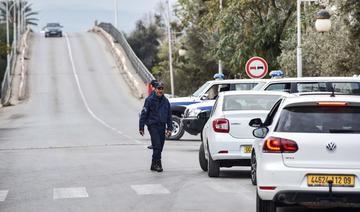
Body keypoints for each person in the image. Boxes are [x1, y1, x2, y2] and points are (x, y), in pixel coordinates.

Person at [139, 82, 173, 172]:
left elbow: (169, 116)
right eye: (158, 88)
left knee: (160, 146)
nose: (160, 90)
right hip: (152, 125)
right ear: (155, 89)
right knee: (157, 145)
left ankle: (153, 164)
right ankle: (158, 164)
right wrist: (141, 127)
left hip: (162, 126)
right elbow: (144, 113)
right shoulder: (149, 100)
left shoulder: (166, 101)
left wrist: (169, 128)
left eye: (162, 89)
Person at [147, 79, 158, 150]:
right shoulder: (158, 92)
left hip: (153, 115)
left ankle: (154, 144)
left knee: (152, 130)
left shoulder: (153, 93)